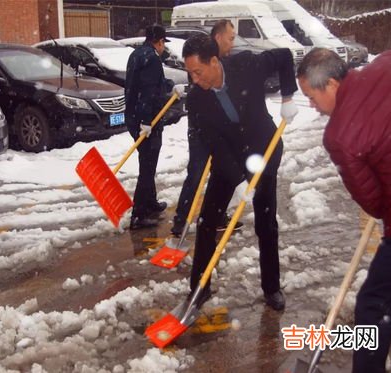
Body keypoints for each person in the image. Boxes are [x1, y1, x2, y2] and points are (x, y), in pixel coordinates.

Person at [297, 48, 391, 373]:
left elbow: (375, 203)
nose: (312, 105)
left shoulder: (339, 136)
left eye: (311, 96)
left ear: (332, 84)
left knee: (374, 308)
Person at [182, 34, 298, 311]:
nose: (194, 79)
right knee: (208, 221)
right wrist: (236, 181)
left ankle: (272, 287)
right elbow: (213, 144)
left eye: (197, 72)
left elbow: (284, 56)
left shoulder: (246, 65)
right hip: (229, 157)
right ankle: (200, 287)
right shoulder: (197, 99)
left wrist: (288, 96)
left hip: (263, 151)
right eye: (190, 74)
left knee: (265, 223)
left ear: (214, 61)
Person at [171, 19, 243, 236]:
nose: (232, 43)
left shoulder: (225, 63)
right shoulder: (200, 55)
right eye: (230, 38)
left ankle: (217, 214)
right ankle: (181, 221)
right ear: (218, 38)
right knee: (196, 172)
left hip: (221, 130)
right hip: (201, 130)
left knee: (220, 171)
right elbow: (197, 87)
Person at [125, 24, 174, 230]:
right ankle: (139, 214)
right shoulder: (152, 59)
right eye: (163, 43)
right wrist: (146, 121)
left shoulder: (136, 54)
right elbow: (147, 92)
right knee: (147, 167)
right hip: (148, 122)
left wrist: (169, 86)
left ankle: (151, 203)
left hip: (134, 118)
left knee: (147, 161)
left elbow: (148, 85)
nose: (164, 48)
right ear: (159, 41)